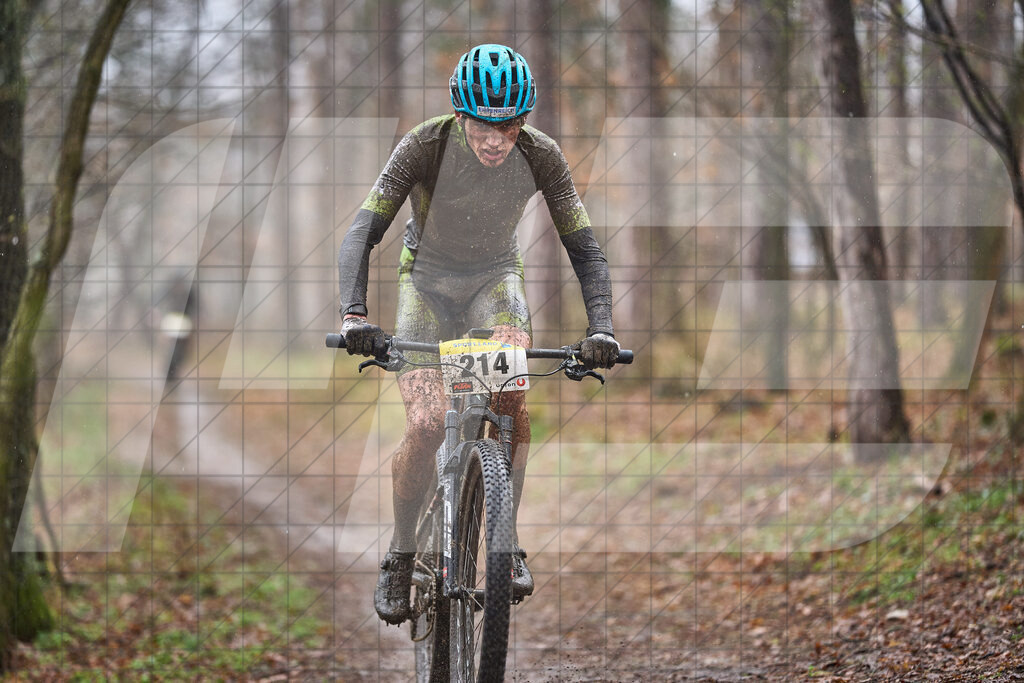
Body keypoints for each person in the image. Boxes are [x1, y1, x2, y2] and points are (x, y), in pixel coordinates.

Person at [337, 43, 620, 625]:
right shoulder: (424, 144)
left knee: (511, 393)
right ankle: (401, 552)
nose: (496, 140)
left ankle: (504, 539)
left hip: (494, 280)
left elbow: (584, 247)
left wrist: (602, 329)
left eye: (510, 127)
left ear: (524, 123)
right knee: (424, 423)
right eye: (484, 126)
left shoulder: (542, 156)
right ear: (460, 114)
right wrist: (354, 315)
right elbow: (363, 230)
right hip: (427, 284)